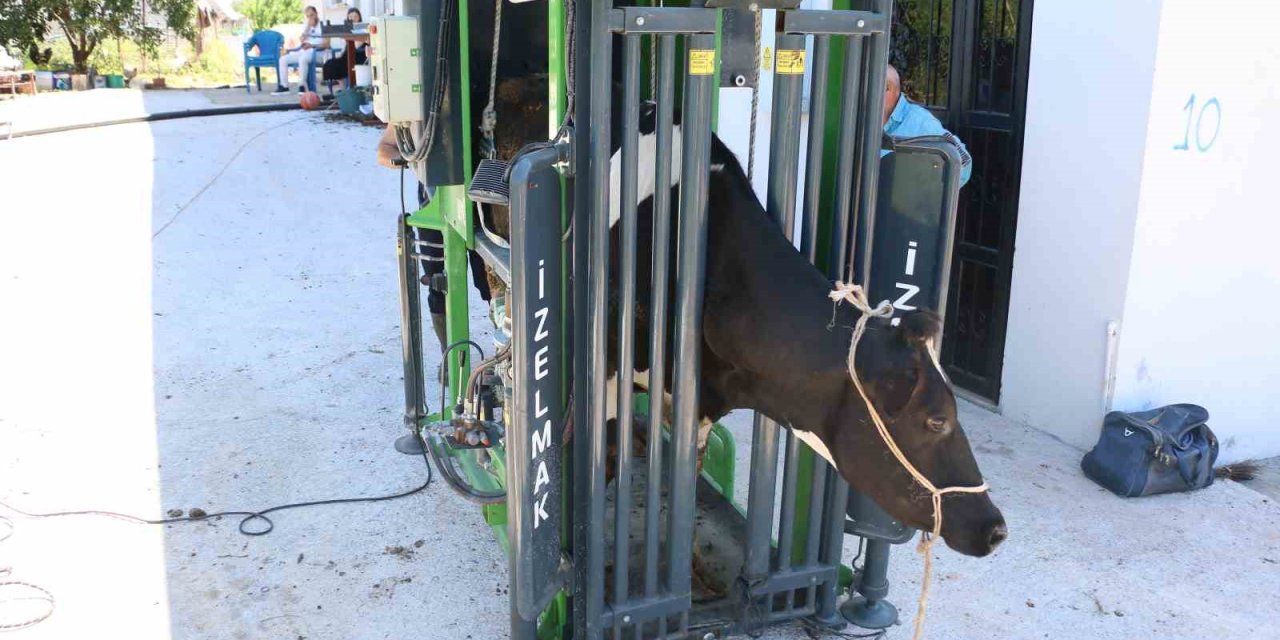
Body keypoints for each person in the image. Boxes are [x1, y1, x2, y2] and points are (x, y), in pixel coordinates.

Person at [376, 124, 496, 354]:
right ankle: (449, 356)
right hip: (434, 206)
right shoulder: (413, 113)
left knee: (491, 280)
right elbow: (384, 150)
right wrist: (411, 159)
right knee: (438, 283)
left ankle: (505, 350)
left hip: (482, 203)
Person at [882, 64, 973, 187]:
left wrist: (927, 192)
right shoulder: (861, 117)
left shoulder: (921, 122)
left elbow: (963, 163)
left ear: (888, 89)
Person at [272, 5, 327, 95]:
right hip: (305, 52)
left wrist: (312, 45)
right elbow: (301, 39)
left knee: (303, 58)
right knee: (283, 59)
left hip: (318, 53)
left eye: (312, 15)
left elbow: (326, 44)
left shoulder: (323, 25)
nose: (310, 18)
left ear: (316, 14)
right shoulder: (307, 25)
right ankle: (284, 86)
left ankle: (302, 86)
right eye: (308, 16)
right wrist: (308, 27)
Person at [322, 8, 369, 84]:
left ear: (359, 18)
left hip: (358, 57)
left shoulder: (362, 29)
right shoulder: (347, 30)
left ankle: (344, 86)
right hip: (347, 56)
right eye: (350, 17)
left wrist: (349, 37)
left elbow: (357, 45)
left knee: (337, 66)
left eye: (355, 16)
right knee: (329, 63)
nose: (353, 19)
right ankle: (340, 86)